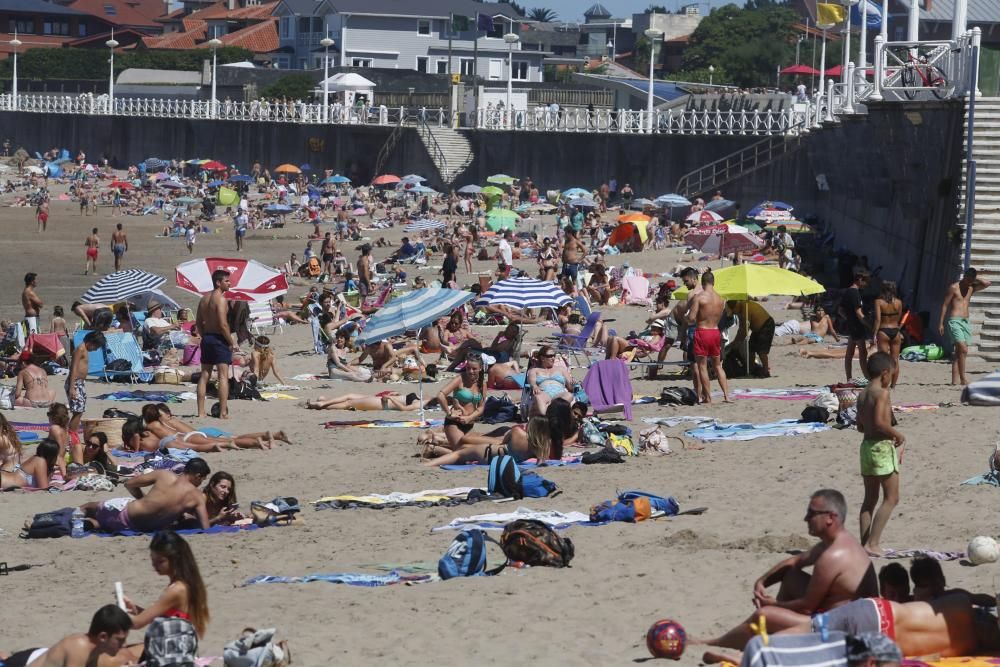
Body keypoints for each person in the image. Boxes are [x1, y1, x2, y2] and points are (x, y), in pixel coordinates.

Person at [700, 489, 878, 650]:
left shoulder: (833, 556)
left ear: (830, 517)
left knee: (763, 615)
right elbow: (795, 562)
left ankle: (714, 643)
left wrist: (772, 605)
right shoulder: (836, 542)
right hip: (838, 616)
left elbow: (808, 606)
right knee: (791, 576)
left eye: (811, 513)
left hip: (842, 631)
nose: (806, 518)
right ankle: (777, 629)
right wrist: (762, 582)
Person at [120, 530, 210, 663]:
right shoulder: (184, 584)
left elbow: (136, 624)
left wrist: (116, 615)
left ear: (175, 559)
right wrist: (137, 610)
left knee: (121, 655)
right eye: (152, 560)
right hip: (177, 645)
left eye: (160, 561)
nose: (154, 565)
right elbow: (165, 621)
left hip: (173, 651)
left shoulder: (176, 590)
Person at [856, 352, 905, 556]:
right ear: (885, 373)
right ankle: (873, 543)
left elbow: (860, 426)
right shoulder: (882, 393)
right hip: (881, 448)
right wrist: (898, 435)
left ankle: (864, 544)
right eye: (891, 375)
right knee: (892, 498)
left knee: (869, 500)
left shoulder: (862, 394)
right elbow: (879, 422)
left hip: (866, 446)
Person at [80, 458, 211, 533]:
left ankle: (73, 518)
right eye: (201, 480)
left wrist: (143, 500)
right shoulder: (197, 496)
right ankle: (83, 524)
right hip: (134, 528)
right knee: (97, 524)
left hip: (123, 512)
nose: (199, 484)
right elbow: (205, 527)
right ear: (197, 476)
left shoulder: (164, 475)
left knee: (87, 508)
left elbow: (129, 484)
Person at [0, 605, 133, 667]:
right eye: (120, 640)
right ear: (103, 637)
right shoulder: (80, 647)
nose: (124, 644)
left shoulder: (94, 650)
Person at [938, 267, 991, 385]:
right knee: (963, 349)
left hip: (965, 322)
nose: (969, 282)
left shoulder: (971, 288)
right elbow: (945, 305)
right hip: (954, 321)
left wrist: (974, 278)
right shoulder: (954, 287)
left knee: (959, 353)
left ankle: (954, 381)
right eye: (968, 279)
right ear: (964, 276)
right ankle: (963, 378)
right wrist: (941, 323)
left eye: (971, 280)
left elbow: (987, 283)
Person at [196, 270, 238, 419]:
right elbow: (223, 325)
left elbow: (198, 323)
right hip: (219, 338)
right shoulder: (220, 299)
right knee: (223, 376)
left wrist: (204, 335)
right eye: (227, 281)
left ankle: (201, 412)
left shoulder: (203, 299)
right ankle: (222, 412)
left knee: (204, 375)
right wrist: (231, 342)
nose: (230, 283)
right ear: (218, 282)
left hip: (207, 338)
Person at [688, 272, 731, 403]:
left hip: (702, 331)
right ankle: (726, 396)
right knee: (718, 366)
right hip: (715, 332)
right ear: (714, 283)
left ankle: (708, 397)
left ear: (702, 282)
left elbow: (691, 318)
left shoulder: (699, 297)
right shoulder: (721, 299)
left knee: (702, 366)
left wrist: (685, 317)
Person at [435, 356, 486, 449]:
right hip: (454, 423)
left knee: (474, 450)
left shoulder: (482, 383)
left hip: (469, 424)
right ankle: (434, 448)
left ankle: (437, 441)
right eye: (468, 368)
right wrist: (449, 413)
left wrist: (470, 417)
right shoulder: (460, 379)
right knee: (462, 451)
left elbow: (481, 407)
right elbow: (440, 395)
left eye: (474, 369)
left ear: (480, 368)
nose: (470, 371)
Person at [66, 331, 105, 436]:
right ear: (91, 342)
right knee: (77, 411)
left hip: (80, 383)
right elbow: (74, 368)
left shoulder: (84, 350)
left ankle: (72, 434)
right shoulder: (80, 349)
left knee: (80, 410)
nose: (95, 349)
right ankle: (71, 435)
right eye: (96, 347)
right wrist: (72, 387)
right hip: (75, 383)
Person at [729, 300, 775, 377]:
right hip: (757, 328)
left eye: (734, 312)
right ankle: (751, 368)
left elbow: (743, 331)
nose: (734, 314)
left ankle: (766, 371)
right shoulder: (741, 308)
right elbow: (742, 328)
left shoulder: (745, 309)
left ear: (736, 307)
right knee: (751, 349)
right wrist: (736, 342)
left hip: (766, 325)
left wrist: (735, 343)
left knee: (761, 351)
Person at [526, 345, 575, 416]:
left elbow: (570, 389)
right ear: (542, 358)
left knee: (569, 395)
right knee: (538, 397)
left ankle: (550, 413)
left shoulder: (561, 369)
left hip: (559, 394)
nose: (553, 358)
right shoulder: (534, 370)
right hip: (544, 393)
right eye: (550, 356)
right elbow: (532, 383)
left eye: (554, 355)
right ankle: (547, 416)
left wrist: (572, 384)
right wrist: (534, 386)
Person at [842, 270, 871, 382]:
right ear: (859, 279)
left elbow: (840, 310)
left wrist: (849, 319)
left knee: (850, 353)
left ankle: (849, 378)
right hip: (857, 326)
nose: (866, 284)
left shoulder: (847, 291)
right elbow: (859, 313)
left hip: (851, 325)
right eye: (865, 281)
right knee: (863, 352)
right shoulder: (855, 293)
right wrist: (869, 325)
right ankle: (867, 377)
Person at [304, 391, 422, 411]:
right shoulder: (421, 397)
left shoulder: (419, 404)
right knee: (349, 396)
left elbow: (404, 409)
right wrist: (395, 394)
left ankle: (322, 405)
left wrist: (391, 398)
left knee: (348, 403)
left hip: (384, 403)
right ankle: (325, 401)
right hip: (382, 399)